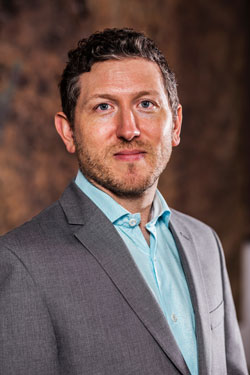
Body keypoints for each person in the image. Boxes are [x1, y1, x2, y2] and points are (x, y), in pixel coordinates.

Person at [0, 28, 248, 375]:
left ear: (175, 124)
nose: (128, 128)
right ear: (68, 131)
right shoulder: (19, 263)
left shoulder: (205, 242)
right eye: (103, 107)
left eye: (146, 104)